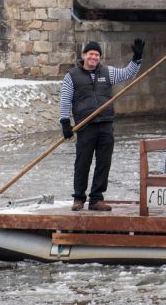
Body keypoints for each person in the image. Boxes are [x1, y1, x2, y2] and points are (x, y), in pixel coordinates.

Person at [60, 38, 144, 211]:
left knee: (104, 162)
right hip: (85, 125)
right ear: (84, 55)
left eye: (97, 54)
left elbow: (128, 74)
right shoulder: (72, 76)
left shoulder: (108, 72)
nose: (94, 57)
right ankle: (78, 198)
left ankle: (96, 199)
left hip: (105, 124)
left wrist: (136, 58)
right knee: (83, 162)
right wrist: (65, 122)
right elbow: (65, 100)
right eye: (91, 54)